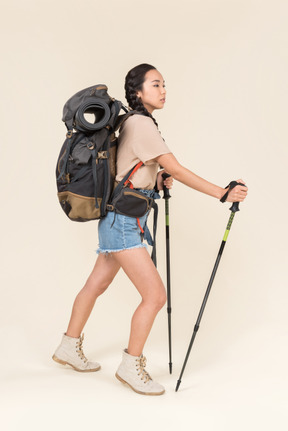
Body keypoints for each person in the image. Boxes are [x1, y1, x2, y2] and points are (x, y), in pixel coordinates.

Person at [52, 63, 248, 396]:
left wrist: (154, 180)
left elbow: (133, 168)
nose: (163, 90)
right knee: (155, 296)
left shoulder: (133, 122)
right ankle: (131, 365)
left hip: (118, 218)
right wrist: (221, 193)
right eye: (156, 85)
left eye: (164, 84)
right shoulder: (142, 124)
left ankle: (67, 347)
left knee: (96, 284)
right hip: (124, 223)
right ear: (139, 92)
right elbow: (177, 168)